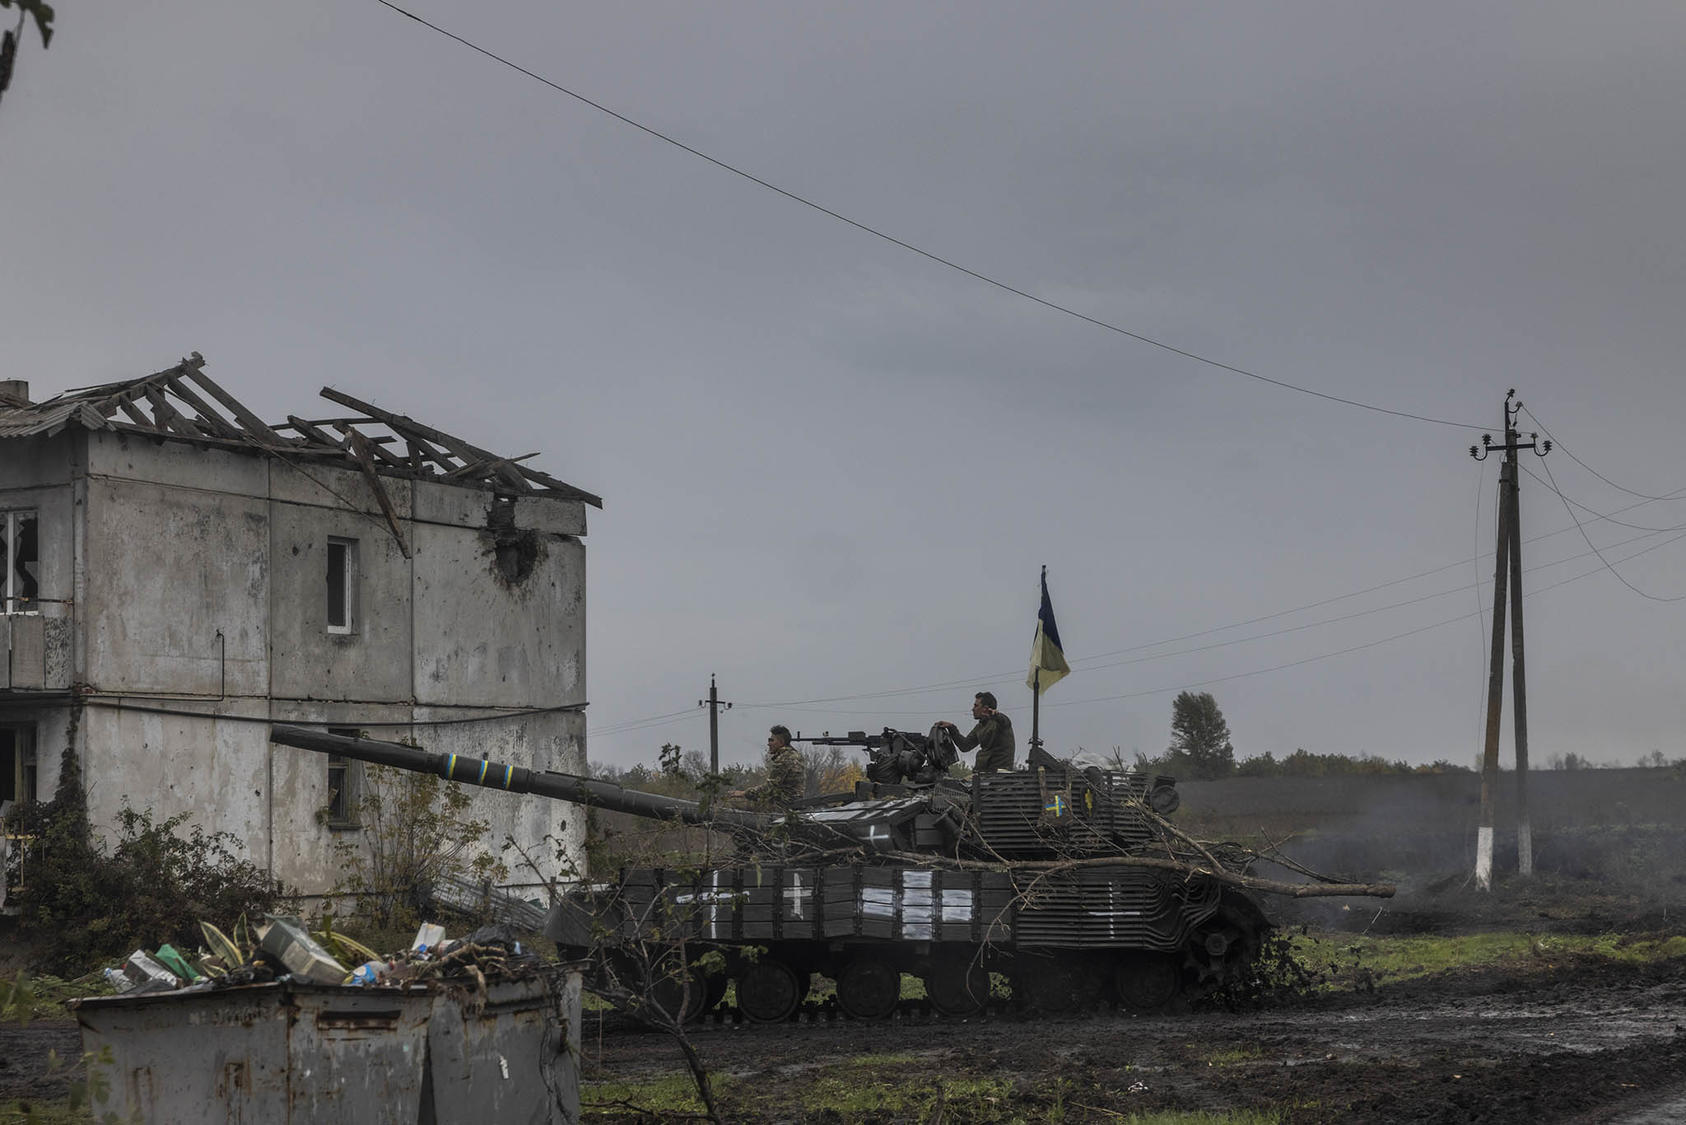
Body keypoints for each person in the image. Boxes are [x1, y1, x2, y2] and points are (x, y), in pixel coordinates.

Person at [937, 692, 1016, 773]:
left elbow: (1005, 722)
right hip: (984, 772)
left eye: (976, 706)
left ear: (985, 708)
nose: (973, 709)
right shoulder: (980, 726)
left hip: (997, 774)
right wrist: (951, 728)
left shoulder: (999, 723)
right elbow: (965, 746)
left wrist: (995, 715)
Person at [732, 725, 804, 809]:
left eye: (771, 740)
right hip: (794, 801)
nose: (768, 743)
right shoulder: (796, 755)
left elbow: (769, 788)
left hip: (781, 804)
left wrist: (744, 793)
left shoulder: (784, 759)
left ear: (781, 742)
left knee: (732, 803)